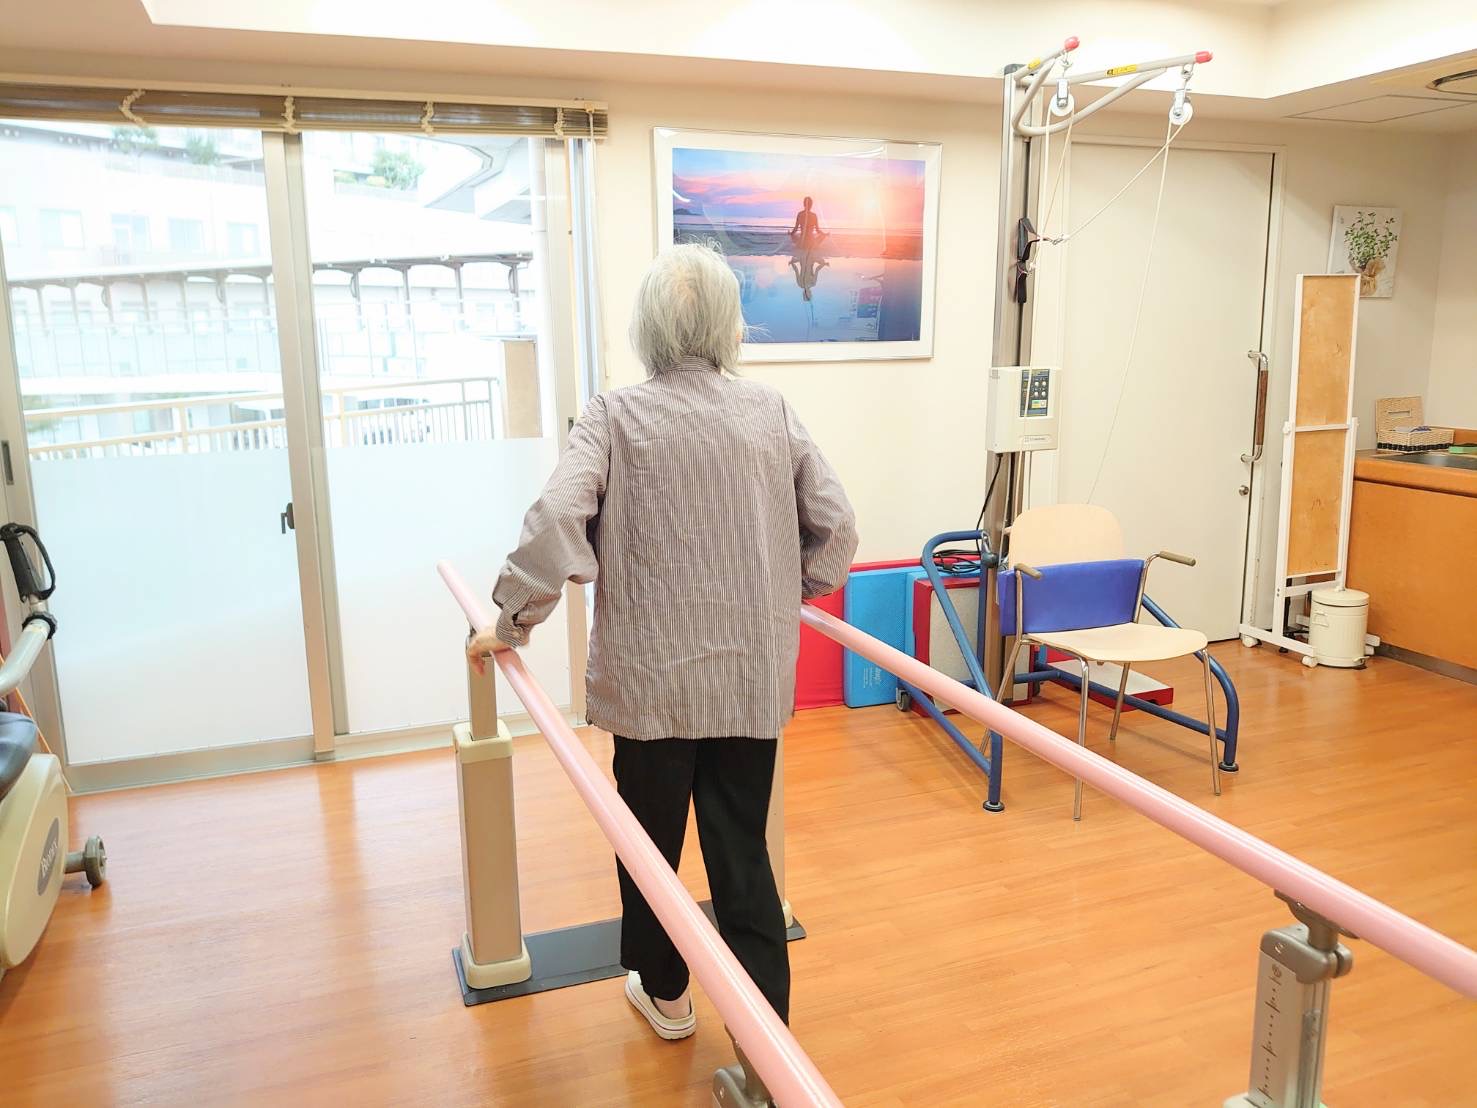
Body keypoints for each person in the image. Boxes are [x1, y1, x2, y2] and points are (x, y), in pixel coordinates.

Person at [467, 243, 857, 1041]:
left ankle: (668, 996)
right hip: (745, 681)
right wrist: (787, 591)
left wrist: (510, 622)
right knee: (742, 854)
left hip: (650, 690)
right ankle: (765, 1037)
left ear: (646, 328)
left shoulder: (614, 415)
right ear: (728, 326)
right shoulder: (770, 412)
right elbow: (837, 528)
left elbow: (555, 520)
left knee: (647, 850)